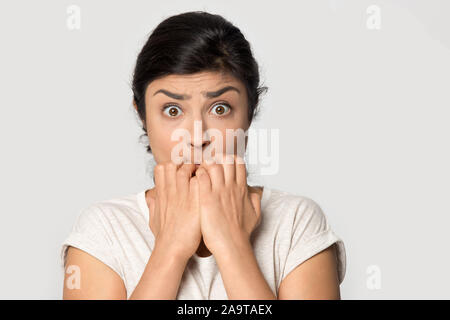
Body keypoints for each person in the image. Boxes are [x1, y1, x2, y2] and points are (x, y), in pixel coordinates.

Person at [60, 11, 346, 300]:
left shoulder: (296, 222)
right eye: (172, 110)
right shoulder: (104, 230)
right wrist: (170, 247)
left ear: (249, 112)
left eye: (220, 108)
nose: (197, 137)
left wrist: (232, 244)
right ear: (143, 116)